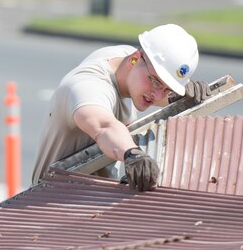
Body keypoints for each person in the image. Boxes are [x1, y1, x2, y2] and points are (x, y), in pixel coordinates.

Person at [30, 24, 212, 191]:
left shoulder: (127, 62)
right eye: (155, 82)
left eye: (167, 89)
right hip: (52, 201)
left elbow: (156, 92)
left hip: (91, 200)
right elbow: (104, 127)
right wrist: (132, 155)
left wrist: (180, 95)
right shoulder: (88, 85)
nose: (157, 95)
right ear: (134, 59)